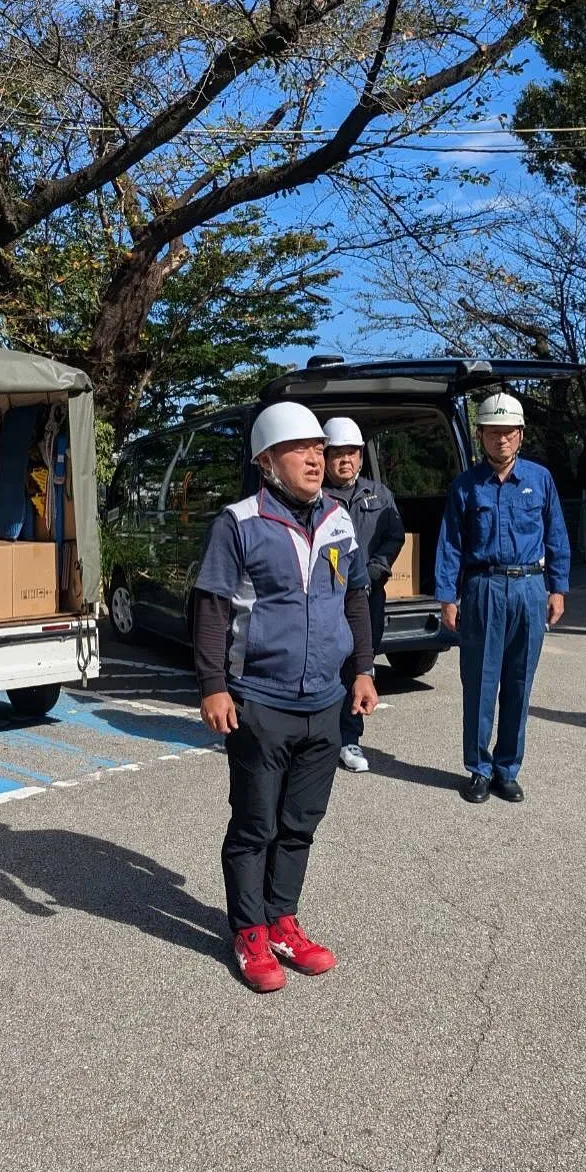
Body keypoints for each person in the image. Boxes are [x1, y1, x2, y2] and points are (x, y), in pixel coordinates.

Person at [192, 401, 379, 993]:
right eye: (301, 449)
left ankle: (282, 918)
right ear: (267, 460)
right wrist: (213, 687)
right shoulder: (239, 521)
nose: (315, 459)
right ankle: (247, 930)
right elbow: (213, 607)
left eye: (319, 449)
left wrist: (363, 671)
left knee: (300, 822)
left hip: (324, 701)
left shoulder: (339, 521)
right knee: (254, 824)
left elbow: (355, 600)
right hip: (259, 700)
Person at [434, 392, 570, 805]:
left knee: (518, 682)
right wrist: (447, 597)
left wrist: (558, 588)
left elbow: (557, 535)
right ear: (480, 436)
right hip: (483, 587)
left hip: (529, 587)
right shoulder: (466, 485)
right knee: (479, 681)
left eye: (508, 432)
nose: (501, 440)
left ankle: (507, 769)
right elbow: (451, 544)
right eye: (493, 433)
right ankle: (478, 768)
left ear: (521, 435)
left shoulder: (540, 480)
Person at [322, 415, 405, 773]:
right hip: (325, 598)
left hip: (369, 595)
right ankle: (320, 739)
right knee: (323, 667)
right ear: (324, 456)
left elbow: (394, 536)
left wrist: (375, 570)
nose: (346, 460)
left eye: (352, 453)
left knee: (360, 666)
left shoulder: (378, 494)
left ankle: (350, 739)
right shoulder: (315, 495)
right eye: (338, 453)